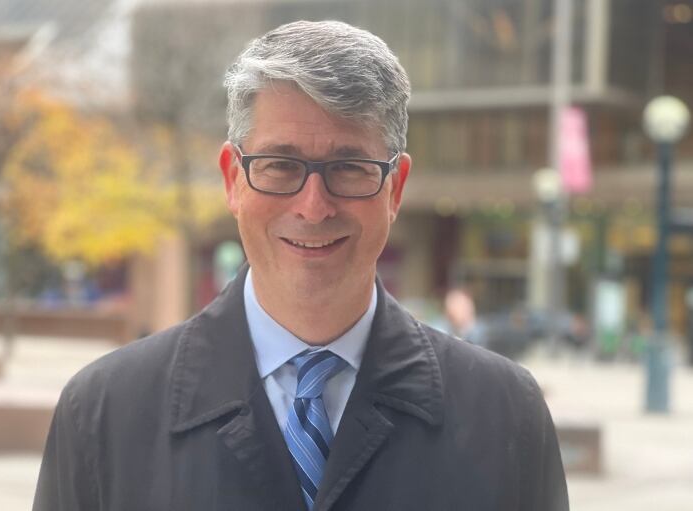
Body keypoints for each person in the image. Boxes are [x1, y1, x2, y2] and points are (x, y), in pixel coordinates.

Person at [33, 20, 568, 510]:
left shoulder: (507, 417)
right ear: (232, 179)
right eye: (281, 165)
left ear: (395, 189)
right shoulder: (103, 414)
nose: (313, 206)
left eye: (350, 168)